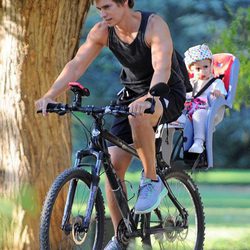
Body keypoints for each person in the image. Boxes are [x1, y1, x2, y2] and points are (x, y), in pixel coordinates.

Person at [35, 0, 186, 248]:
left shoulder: (153, 25)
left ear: (125, 3)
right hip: (131, 96)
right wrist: (50, 95)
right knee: (113, 168)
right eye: (99, 9)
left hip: (166, 92)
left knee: (138, 115)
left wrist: (149, 97)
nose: (103, 14)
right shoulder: (103, 31)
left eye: (107, 7)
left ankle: (151, 179)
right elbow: (76, 65)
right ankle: (121, 236)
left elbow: (162, 68)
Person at [184, 44, 227, 154]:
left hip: (208, 112)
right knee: (174, 116)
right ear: (191, 70)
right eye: (198, 69)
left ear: (211, 66)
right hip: (189, 111)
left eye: (206, 67)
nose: (202, 71)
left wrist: (218, 94)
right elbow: (186, 94)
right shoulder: (191, 83)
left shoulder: (216, 83)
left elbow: (223, 98)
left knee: (199, 114)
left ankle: (198, 143)